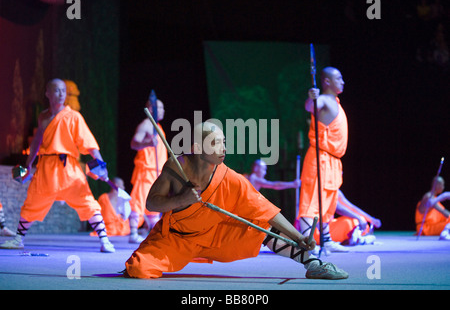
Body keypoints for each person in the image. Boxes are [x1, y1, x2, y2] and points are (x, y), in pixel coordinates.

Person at [124, 122, 348, 280]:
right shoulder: (176, 166)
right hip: (177, 239)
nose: (223, 148)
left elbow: (266, 211)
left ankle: (313, 264)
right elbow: (151, 203)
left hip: (215, 235)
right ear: (198, 148)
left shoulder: (230, 178)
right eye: (216, 143)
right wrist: (181, 199)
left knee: (260, 227)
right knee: (138, 269)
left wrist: (298, 236)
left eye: (224, 142)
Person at [0, 79, 115, 253]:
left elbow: (90, 144)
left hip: (68, 168)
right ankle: (18, 239)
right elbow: (37, 142)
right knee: (32, 202)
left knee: (87, 202)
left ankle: (105, 240)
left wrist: (101, 165)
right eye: (56, 90)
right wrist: (28, 165)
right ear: (47, 93)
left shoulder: (74, 116)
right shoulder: (44, 117)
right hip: (46, 168)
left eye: (63, 90)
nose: (61, 94)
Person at [296, 67, 349, 253]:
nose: (342, 81)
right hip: (320, 159)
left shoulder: (335, 101)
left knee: (328, 205)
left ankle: (326, 240)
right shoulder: (324, 100)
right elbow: (311, 107)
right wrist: (312, 98)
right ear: (327, 81)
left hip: (333, 161)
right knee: (311, 203)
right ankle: (307, 245)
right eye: (339, 78)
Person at [128, 98, 168, 243]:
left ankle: (155, 233)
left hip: (157, 172)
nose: (163, 110)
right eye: (160, 107)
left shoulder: (158, 126)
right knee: (139, 200)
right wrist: (148, 142)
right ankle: (133, 233)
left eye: (163, 108)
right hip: (146, 170)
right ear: (151, 109)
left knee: (154, 202)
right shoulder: (146, 125)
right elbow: (134, 143)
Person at [314, 190, 382, 246]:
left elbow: (351, 207)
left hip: (328, 226)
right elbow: (340, 208)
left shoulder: (335, 190)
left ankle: (353, 240)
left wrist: (371, 219)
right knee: (349, 222)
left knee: (359, 221)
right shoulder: (321, 188)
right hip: (318, 231)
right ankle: (355, 240)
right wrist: (358, 218)